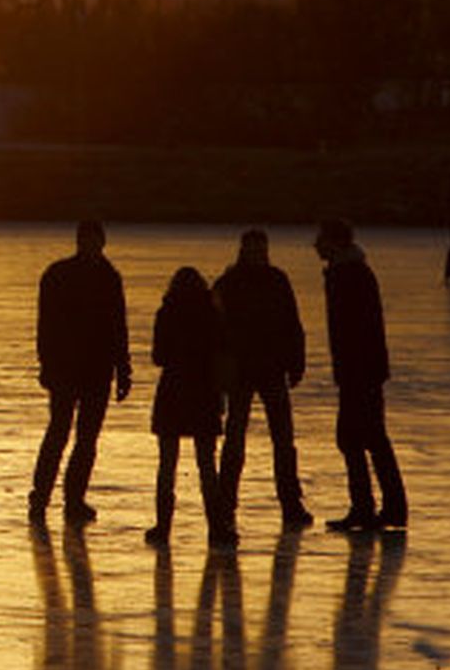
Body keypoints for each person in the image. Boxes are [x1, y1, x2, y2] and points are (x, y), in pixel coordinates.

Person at [31, 219, 132, 526]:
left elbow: (118, 326)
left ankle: (74, 499)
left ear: (102, 243)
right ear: (79, 242)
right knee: (59, 432)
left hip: (98, 370)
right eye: (85, 240)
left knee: (87, 438)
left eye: (94, 241)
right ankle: (40, 497)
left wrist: (123, 369)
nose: (90, 246)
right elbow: (45, 324)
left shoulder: (110, 278)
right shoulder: (57, 275)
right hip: (64, 368)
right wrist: (46, 363)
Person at [213, 229, 312, 530]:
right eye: (252, 249)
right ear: (243, 250)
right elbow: (215, 330)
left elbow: (292, 323)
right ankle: (226, 502)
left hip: (271, 368)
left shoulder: (277, 281)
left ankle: (290, 503)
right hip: (242, 371)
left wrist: (296, 363)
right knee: (235, 439)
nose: (257, 254)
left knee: (283, 440)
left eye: (261, 249)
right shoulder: (229, 283)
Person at [315, 219, 407, 532]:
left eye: (320, 239)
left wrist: (352, 369)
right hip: (361, 369)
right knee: (365, 437)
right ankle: (381, 507)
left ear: (334, 243)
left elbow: (356, 329)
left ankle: (372, 508)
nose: (315, 245)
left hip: (360, 370)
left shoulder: (348, 275)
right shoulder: (350, 272)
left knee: (358, 437)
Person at [145, 267, 233, 548]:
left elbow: (158, 357)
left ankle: (162, 527)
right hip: (204, 392)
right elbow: (222, 353)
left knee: (167, 465)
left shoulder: (166, 313)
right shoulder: (213, 315)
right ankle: (217, 528)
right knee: (207, 465)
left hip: (172, 392)